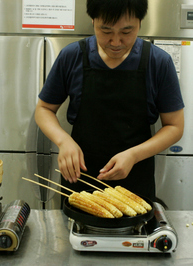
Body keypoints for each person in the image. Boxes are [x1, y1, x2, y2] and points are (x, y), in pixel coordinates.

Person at [35, 0, 184, 201]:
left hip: (135, 186)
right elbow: (44, 109)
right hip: (80, 183)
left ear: (140, 23)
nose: (115, 42)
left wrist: (133, 155)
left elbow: (175, 126)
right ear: (93, 20)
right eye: (105, 31)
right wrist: (63, 141)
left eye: (126, 32)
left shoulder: (158, 62)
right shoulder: (72, 56)